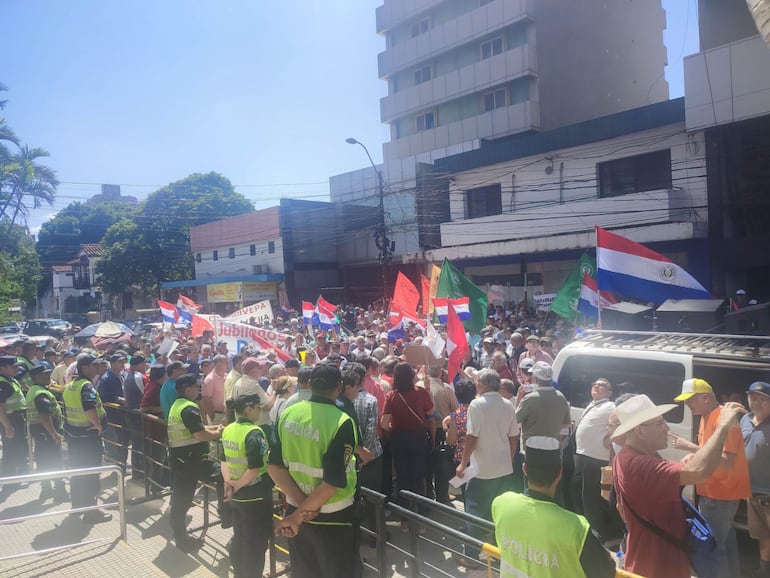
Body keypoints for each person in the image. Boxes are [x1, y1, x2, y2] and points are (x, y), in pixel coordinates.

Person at [612, 394, 747, 578]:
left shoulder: (626, 456)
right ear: (640, 431)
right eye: (660, 423)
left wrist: (686, 465)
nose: (666, 428)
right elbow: (699, 470)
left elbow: (624, 506)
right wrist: (722, 427)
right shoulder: (639, 463)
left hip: (648, 560)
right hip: (657, 567)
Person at [268, 363, 359, 578]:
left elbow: (274, 467)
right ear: (339, 387)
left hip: (296, 508)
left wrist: (300, 508)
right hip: (333, 514)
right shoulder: (342, 422)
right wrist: (300, 515)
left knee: (304, 571)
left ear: (309, 385)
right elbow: (332, 483)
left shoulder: (288, 414)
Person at [492, 436, 615, 578]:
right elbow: (605, 571)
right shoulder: (576, 527)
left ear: (524, 469)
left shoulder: (501, 503)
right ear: (559, 473)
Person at [671, 378, 751, 578]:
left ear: (706, 398)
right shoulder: (707, 416)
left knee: (712, 547)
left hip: (721, 494)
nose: (687, 404)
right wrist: (694, 456)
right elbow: (709, 452)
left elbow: (725, 461)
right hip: (714, 491)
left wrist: (690, 447)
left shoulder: (726, 419)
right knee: (725, 544)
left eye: (690, 399)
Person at [455, 368, 518, 564]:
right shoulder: (508, 404)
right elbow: (514, 436)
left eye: (477, 382)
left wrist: (463, 463)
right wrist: (509, 457)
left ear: (484, 384)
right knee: (498, 512)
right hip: (503, 468)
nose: (475, 384)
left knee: (474, 510)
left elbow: (472, 437)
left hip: (481, 469)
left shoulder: (477, 404)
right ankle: (499, 553)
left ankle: (471, 555)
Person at [167, 373, 226, 551]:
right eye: (196, 387)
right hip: (191, 460)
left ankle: (180, 537)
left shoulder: (178, 405)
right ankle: (225, 513)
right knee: (224, 475)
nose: (199, 389)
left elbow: (197, 428)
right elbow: (199, 434)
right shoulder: (189, 408)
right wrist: (219, 433)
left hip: (181, 460)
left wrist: (214, 427)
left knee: (180, 500)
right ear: (188, 389)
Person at [221, 393, 273, 577]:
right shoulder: (254, 433)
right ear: (249, 409)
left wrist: (229, 484)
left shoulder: (228, 429)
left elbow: (224, 461)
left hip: (236, 497)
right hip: (255, 496)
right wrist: (237, 485)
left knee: (240, 538)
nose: (260, 410)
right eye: (258, 407)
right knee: (256, 545)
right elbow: (254, 468)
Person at [381, 362, 435, 519]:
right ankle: (419, 516)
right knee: (418, 477)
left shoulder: (391, 396)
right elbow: (431, 411)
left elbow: (384, 423)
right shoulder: (421, 392)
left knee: (402, 478)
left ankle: (404, 519)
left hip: (399, 438)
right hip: (418, 437)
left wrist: (393, 429)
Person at [63, 354, 112, 523]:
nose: (97, 368)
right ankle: (92, 512)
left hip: (75, 438)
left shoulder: (71, 385)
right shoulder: (86, 386)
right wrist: (98, 425)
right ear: (84, 367)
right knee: (91, 475)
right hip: (88, 439)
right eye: (94, 365)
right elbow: (89, 406)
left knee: (77, 473)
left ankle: (77, 506)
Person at [571, 377, 621, 543]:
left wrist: (610, 439)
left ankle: (599, 534)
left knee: (592, 498)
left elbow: (620, 424)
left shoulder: (610, 406)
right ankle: (591, 528)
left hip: (596, 457)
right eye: (595, 384)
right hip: (584, 455)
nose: (597, 386)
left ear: (610, 392)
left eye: (602, 385)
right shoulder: (593, 404)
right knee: (579, 490)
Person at [26, 364, 68, 501]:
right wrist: (54, 434)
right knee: (55, 461)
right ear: (36, 377)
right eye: (45, 374)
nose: (48, 376)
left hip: (39, 433)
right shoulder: (40, 394)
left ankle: (46, 490)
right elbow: (44, 416)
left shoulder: (34, 390)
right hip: (46, 433)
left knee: (43, 461)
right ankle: (60, 492)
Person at [742, 381, 770, 578]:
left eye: (762, 399)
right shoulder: (744, 419)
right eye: (753, 398)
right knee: (762, 535)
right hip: (752, 493)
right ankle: (764, 569)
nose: (756, 402)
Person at [98, 353, 129, 472]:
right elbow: (104, 397)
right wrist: (119, 400)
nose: (122, 364)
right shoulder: (106, 378)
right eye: (119, 362)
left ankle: (123, 465)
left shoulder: (123, 374)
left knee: (124, 441)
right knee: (118, 441)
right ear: (112, 364)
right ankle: (118, 467)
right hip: (114, 415)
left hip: (124, 413)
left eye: (123, 362)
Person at [0, 355, 27, 481]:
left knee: (19, 448)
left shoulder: (10, 379)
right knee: (11, 450)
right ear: (3, 368)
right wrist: (8, 427)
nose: (17, 369)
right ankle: (9, 479)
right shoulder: (3, 383)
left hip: (16, 419)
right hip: (11, 420)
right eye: (13, 367)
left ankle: (19, 475)